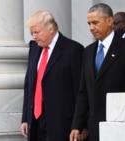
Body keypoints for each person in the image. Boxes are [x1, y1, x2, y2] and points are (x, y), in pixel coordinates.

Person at [69, 3, 125, 141]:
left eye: (95, 23)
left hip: (120, 126)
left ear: (110, 21)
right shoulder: (88, 51)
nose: (91, 28)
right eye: (89, 24)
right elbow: (83, 92)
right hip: (94, 128)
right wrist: (77, 125)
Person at [21, 11, 85, 141]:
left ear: (51, 29)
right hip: (36, 121)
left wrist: (79, 124)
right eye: (31, 33)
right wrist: (25, 118)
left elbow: (80, 90)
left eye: (37, 32)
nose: (34, 37)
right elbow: (29, 85)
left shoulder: (73, 49)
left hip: (62, 122)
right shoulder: (34, 48)